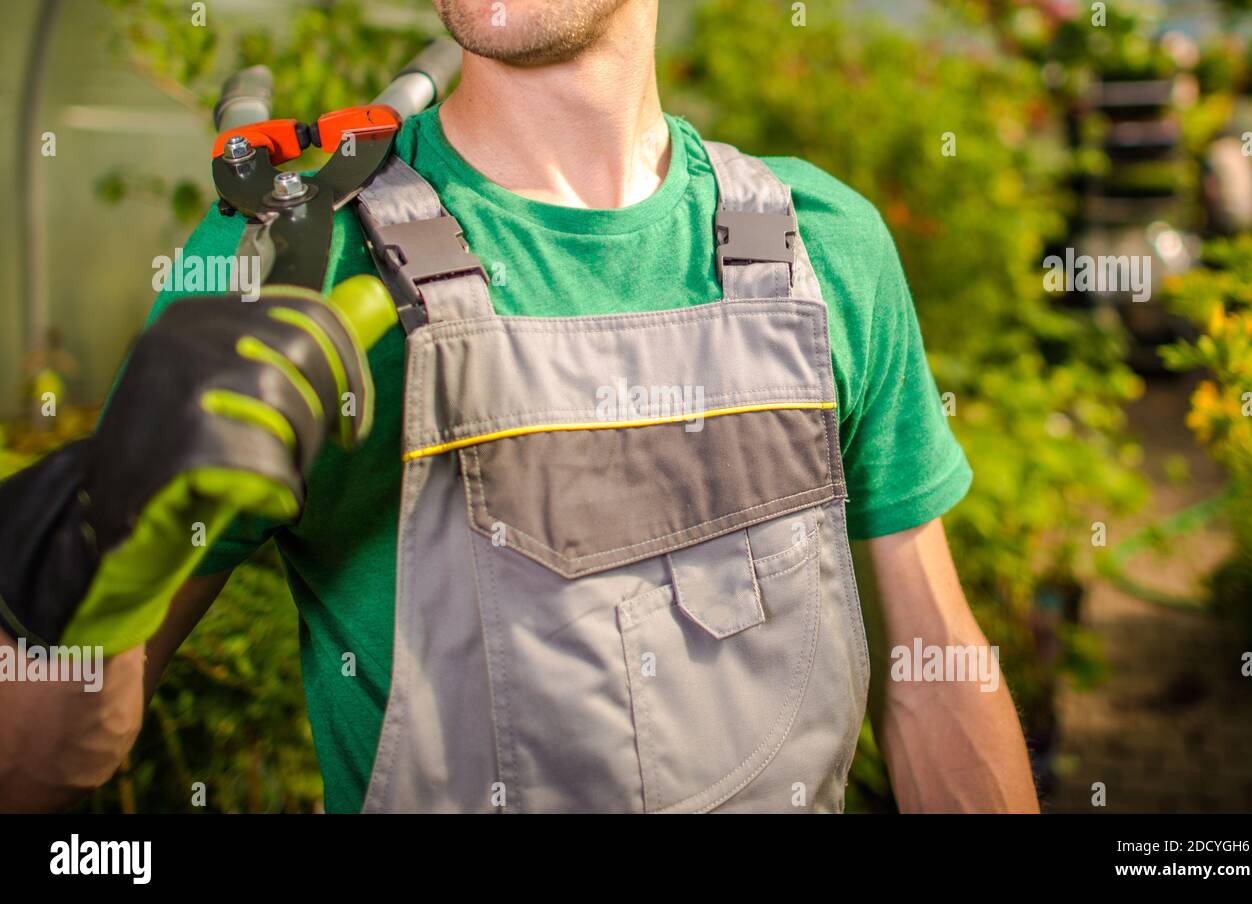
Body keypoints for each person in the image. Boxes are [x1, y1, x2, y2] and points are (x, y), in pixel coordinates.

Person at [0, 0, 1038, 813]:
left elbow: (934, 672)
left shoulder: (821, 245)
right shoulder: (289, 270)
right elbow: (32, 771)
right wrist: (104, 542)